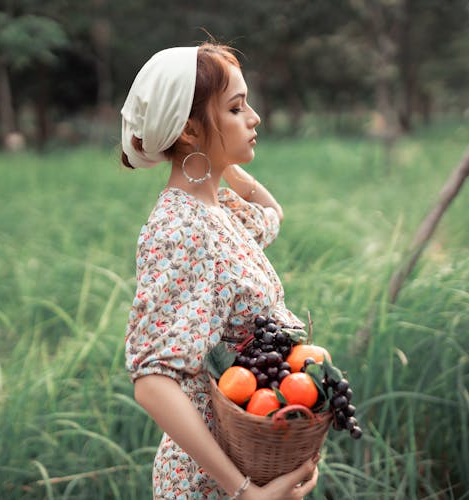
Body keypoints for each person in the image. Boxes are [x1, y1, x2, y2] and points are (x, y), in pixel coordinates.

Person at [122, 42, 319, 499]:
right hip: (211, 485)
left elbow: (271, 212)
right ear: (189, 129)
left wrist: (224, 165)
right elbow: (153, 382)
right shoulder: (179, 227)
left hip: (252, 461)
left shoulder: (217, 211)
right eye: (236, 108)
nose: (254, 118)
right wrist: (244, 490)